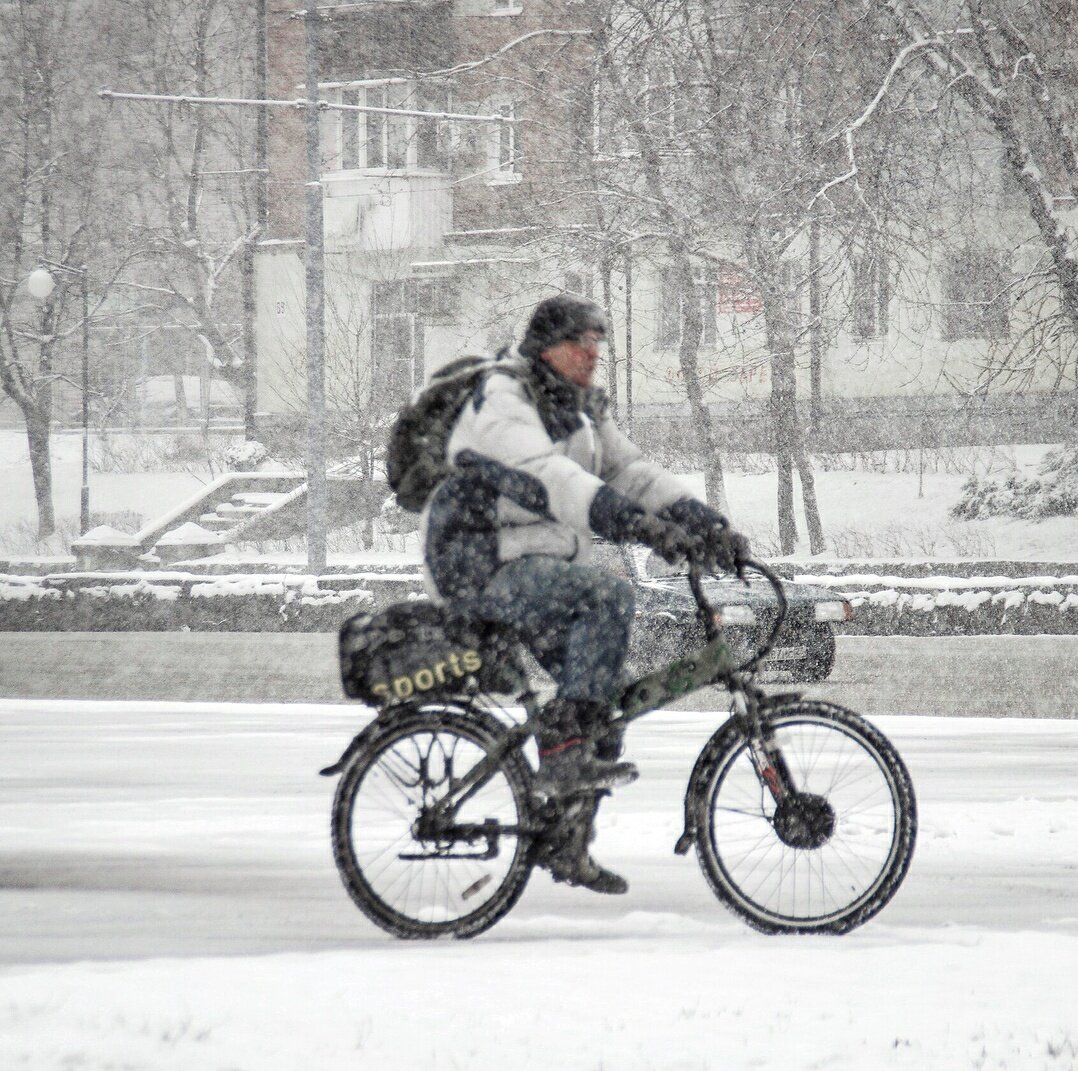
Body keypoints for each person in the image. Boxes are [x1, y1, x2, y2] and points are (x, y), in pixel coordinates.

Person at [420, 295, 750, 894]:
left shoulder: (579, 410)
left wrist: (704, 524)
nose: (592, 353)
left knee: (606, 701)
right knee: (607, 597)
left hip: (533, 560)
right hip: (477, 559)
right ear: (544, 348)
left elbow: (631, 473)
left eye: (598, 342)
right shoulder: (502, 400)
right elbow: (551, 479)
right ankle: (565, 752)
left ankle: (565, 838)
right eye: (579, 342)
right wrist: (635, 525)